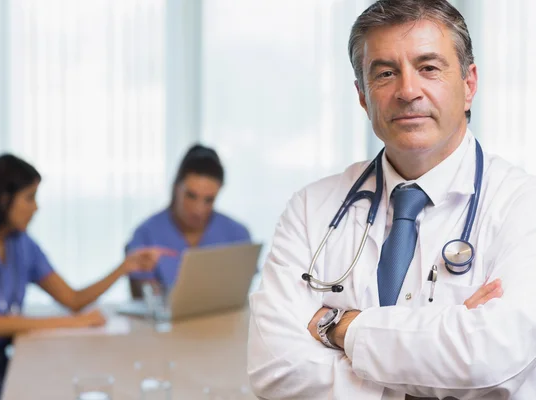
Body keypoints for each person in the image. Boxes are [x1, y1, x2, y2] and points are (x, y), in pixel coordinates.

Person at [248, 1, 536, 399]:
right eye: (385, 73)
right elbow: (274, 369)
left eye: (429, 68)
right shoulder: (310, 209)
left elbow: (495, 360)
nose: (408, 91)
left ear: (469, 85)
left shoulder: (523, 205)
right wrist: (441, 352)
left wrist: (339, 327)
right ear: (363, 97)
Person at [0, 154, 172, 400]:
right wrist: (74, 323)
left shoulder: (20, 244)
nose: (36, 207)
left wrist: (124, 267)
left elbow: (72, 299)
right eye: (29, 198)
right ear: (3, 199)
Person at [126, 144, 251, 297]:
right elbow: (148, 301)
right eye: (191, 196)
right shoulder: (146, 234)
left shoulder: (237, 235)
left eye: (209, 200)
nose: (199, 210)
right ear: (176, 187)